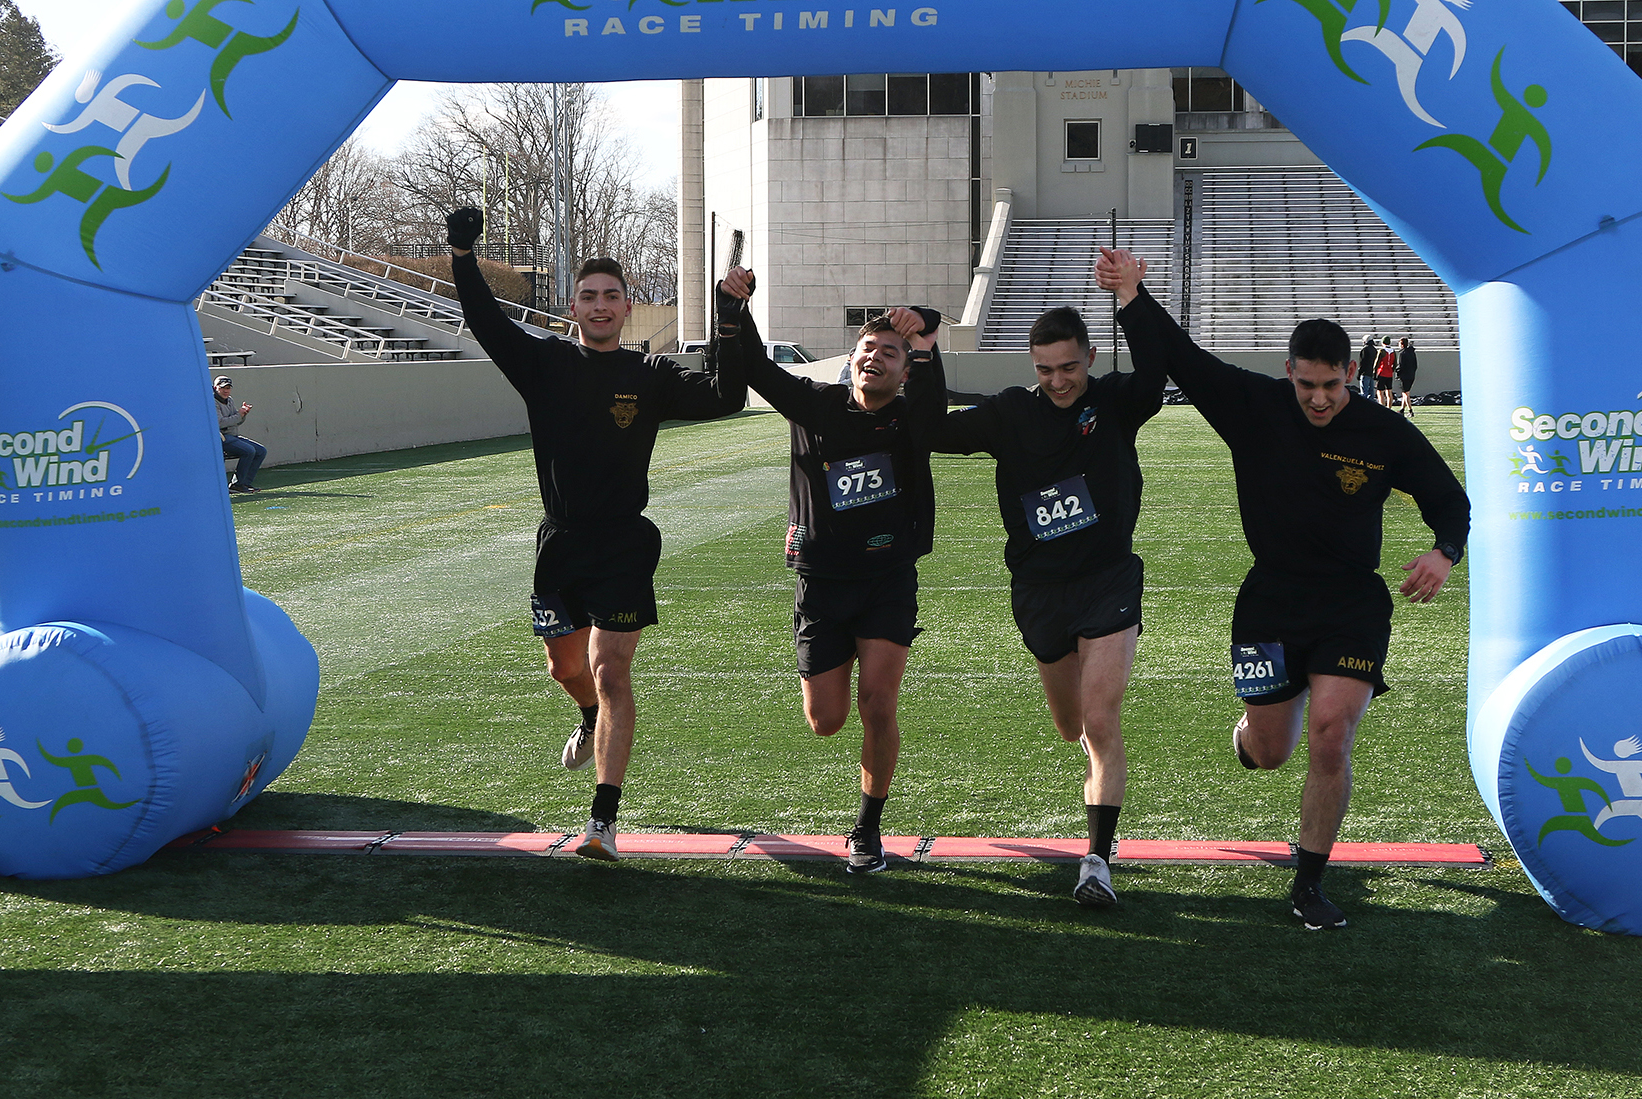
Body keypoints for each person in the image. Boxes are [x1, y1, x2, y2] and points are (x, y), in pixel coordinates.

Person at [1105, 253, 1469, 930]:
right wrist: (1132, 293)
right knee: (1271, 752)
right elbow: (1181, 355)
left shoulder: (1385, 432)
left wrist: (1444, 552)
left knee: (1331, 736)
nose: (1320, 399)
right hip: (1270, 598)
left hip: (1351, 603)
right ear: (1289, 374)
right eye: (1307, 385)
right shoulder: (1255, 406)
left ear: (1351, 375)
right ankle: (1250, 730)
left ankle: (1308, 884)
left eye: (1331, 385)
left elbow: (1451, 500)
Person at [446, 206, 746, 861]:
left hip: (624, 545)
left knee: (612, 671)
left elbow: (728, 396)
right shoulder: (543, 364)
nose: (601, 304)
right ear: (573, 306)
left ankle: (603, 821)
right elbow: (486, 321)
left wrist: (730, 315)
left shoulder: (650, 376)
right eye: (589, 296)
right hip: (559, 546)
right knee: (565, 668)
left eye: (612, 295)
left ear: (627, 307)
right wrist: (462, 255)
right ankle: (587, 718)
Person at [930, 261, 1166, 908]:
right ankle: (1093, 770)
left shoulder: (1114, 402)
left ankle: (1097, 860)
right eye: (1045, 368)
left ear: (1089, 356)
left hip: (1108, 579)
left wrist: (1130, 297)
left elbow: (1155, 373)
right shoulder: (1009, 413)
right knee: (1072, 728)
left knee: (1100, 717)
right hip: (1039, 592)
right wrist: (924, 356)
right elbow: (935, 431)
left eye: (1068, 366)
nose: (1058, 380)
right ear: (1031, 364)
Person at [719, 268, 946, 873]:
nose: (876, 358)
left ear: (905, 369)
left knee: (878, 703)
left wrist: (923, 325)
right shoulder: (815, 405)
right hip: (821, 583)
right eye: (867, 349)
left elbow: (933, 381)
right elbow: (758, 370)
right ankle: (839, 658)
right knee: (826, 721)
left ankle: (868, 828)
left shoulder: (913, 419)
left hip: (888, 579)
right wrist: (735, 308)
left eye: (890, 353)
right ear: (849, 360)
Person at [213, 375, 265, 493]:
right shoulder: (213, 402)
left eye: (228, 388)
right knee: (249, 451)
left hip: (232, 436)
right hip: (222, 438)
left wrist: (243, 414)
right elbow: (220, 423)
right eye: (223, 388)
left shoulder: (229, 400)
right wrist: (238, 415)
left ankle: (244, 484)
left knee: (261, 451)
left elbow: (236, 421)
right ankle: (236, 484)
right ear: (216, 388)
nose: (226, 391)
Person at [1395, 336, 1419, 416]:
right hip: (1411, 375)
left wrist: (1398, 373)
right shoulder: (1412, 352)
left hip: (1404, 375)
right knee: (1405, 392)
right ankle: (1402, 409)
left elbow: (1400, 365)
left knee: (1406, 393)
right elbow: (1415, 365)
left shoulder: (1402, 353)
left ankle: (1410, 410)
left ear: (1402, 345)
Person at [1371, 339, 1397, 407]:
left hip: (1382, 372)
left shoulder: (1381, 351)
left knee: (1380, 392)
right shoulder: (1393, 351)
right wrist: (1392, 370)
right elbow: (1395, 363)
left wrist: (1374, 372)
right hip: (1389, 374)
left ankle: (1382, 407)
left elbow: (1377, 362)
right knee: (1389, 391)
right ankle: (1389, 408)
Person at [1358, 336, 1379, 403]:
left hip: (1365, 373)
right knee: (1371, 393)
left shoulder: (1365, 349)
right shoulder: (1374, 350)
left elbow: (1362, 363)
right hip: (1372, 373)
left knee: (1364, 392)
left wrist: (1359, 373)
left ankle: (1363, 408)